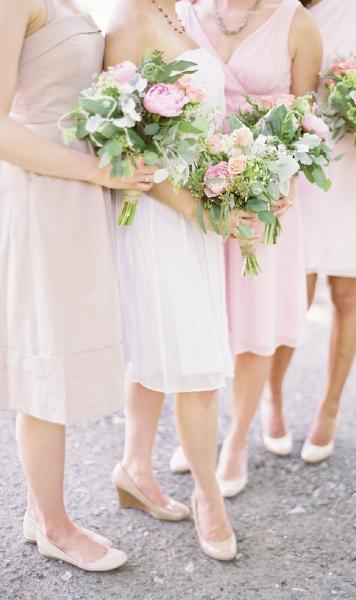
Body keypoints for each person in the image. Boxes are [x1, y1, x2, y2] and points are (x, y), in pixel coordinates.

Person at [0, 0, 157, 572]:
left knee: (63, 354)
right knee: (46, 360)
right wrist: (96, 170)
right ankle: (52, 524)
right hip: (44, 195)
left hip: (79, 193)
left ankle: (42, 511)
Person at [105, 0, 241, 561]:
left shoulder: (181, 12)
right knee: (197, 364)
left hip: (195, 210)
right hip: (161, 215)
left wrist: (235, 172)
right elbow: (125, 143)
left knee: (165, 347)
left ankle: (135, 468)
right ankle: (209, 496)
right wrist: (192, 208)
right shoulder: (128, 20)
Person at [170, 0, 323, 497]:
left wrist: (280, 186)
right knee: (201, 315)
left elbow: (306, 121)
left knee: (255, 323)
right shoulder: (183, 13)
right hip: (197, 192)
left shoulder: (297, 23)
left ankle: (235, 442)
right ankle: (200, 429)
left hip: (264, 197)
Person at [266, 0, 356, 464]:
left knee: (347, 294)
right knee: (295, 292)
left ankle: (330, 408)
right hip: (309, 163)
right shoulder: (295, 8)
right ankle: (273, 398)